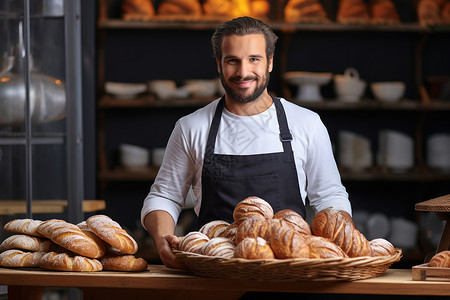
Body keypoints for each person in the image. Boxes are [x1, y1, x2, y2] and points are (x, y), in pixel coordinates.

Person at [141, 16, 352, 269]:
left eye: (254, 59)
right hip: (213, 271)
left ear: (270, 62)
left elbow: (330, 196)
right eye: (233, 61)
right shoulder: (192, 127)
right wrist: (163, 240)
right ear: (219, 64)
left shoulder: (306, 123)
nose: (243, 72)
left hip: (289, 272)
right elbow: (165, 196)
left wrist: (341, 239)